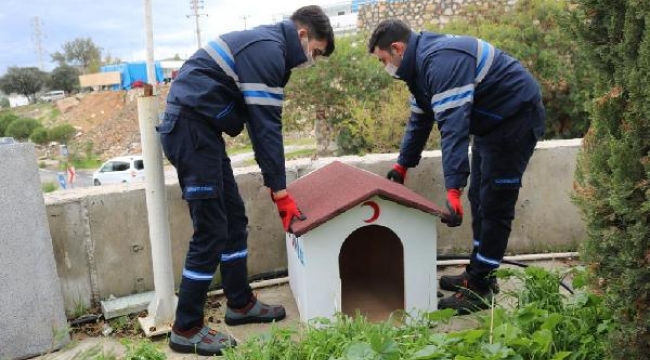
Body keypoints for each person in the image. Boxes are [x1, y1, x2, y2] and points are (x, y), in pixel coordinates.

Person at [157, 6, 334, 356]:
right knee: (210, 229)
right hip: (191, 130)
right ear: (302, 34)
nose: (310, 61)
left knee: (233, 219)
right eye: (314, 51)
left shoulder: (272, 48)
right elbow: (265, 126)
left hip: (203, 130)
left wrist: (275, 183)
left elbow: (260, 123)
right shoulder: (268, 51)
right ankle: (186, 327)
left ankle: (239, 303)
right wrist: (280, 192)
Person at [368, 20, 545, 315]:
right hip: (491, 126)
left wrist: (453, 188)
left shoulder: (441, 62)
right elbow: (419, 122)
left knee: (495, 202)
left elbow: (452, 127)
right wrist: (402, 165)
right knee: (479, 197)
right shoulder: (420, 71)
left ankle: (480, 286)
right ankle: (478, 270)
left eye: (383, 60)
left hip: (516, 119)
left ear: (397, 49)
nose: (384, 67)